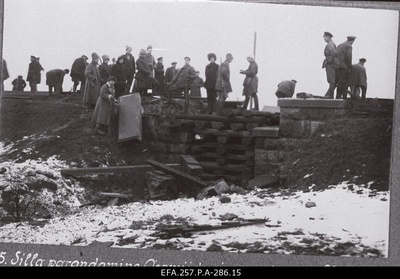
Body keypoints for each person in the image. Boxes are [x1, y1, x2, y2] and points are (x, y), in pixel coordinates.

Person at [322, 31, 339, 99]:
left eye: (324, 37)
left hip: (331, 65)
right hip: (333, 64)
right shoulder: (331, 44)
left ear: (328, 37)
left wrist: (328, 62)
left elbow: (333, 54)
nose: (324, 39)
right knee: (332, 80)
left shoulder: (330, 44)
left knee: (331, 80)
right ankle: (329, 94)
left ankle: (330, 95)